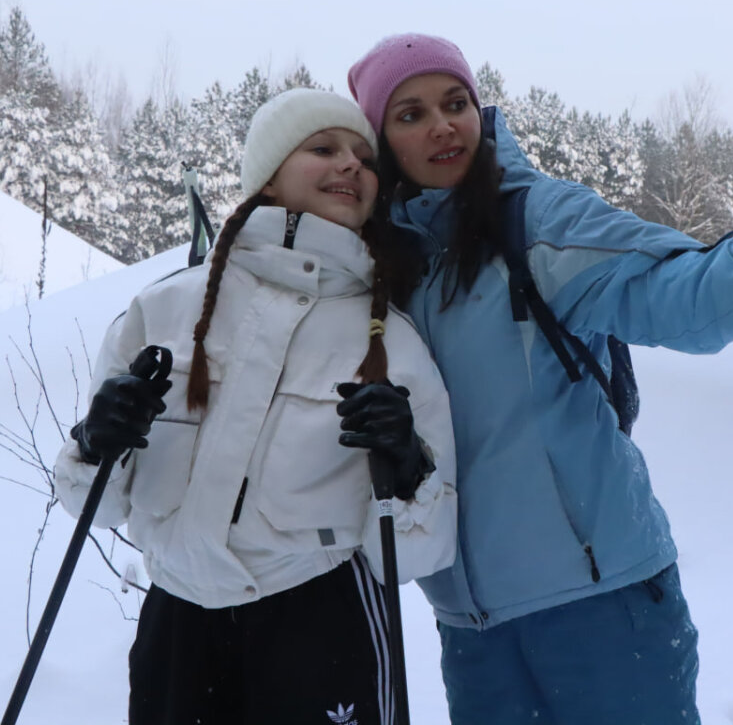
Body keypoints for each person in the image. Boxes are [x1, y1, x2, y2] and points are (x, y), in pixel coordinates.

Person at [347, 33, 733, 724]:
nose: (442, 124)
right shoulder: (377, 270)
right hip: (471, 628)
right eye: (410, 114)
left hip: (601, 606)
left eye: (455, 102)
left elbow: (669, 284)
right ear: (380, 139)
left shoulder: (536, 219)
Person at [53, 88, 457, 725]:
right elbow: (95, 507)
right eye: (323, 148)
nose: (351, 164)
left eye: (363, 157)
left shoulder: (391, 341)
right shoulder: (165, 310)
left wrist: (407, 466)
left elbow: (414, 557)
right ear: (266, 178)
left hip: (320, 621)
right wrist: (97, 441)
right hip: (175, 624)